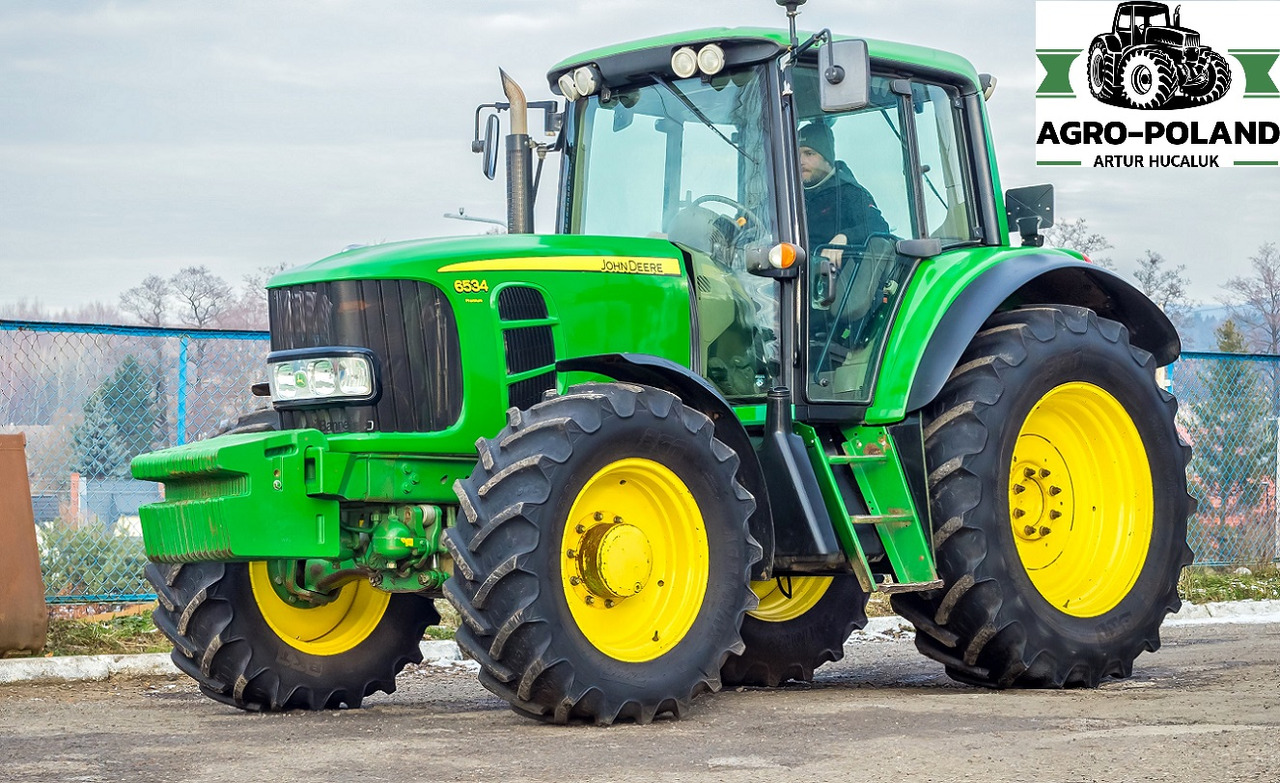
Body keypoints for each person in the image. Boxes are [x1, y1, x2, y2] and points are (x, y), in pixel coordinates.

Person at [798, 121, 889, 257]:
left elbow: (878, 225)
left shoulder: (848, 192)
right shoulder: (790, 195)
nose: (801, 161)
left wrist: (845, 237)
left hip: (836, 274)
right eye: (797, 154)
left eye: (809, 154)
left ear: (827, 158)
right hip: (791, 273)